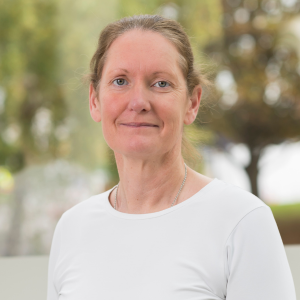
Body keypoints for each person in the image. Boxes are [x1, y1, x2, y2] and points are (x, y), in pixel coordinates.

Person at [47, 14, 296, 300]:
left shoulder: (241, 221)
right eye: (120, 81)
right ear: (94, 101)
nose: (138, 102)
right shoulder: (73, 228)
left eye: (161, 83)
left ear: (192, 102)